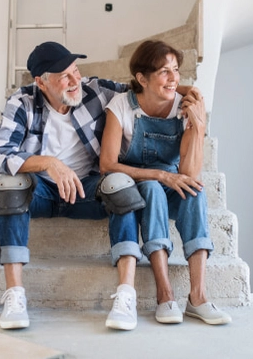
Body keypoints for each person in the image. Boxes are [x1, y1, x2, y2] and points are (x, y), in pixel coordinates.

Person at [0, 41, 197, 330]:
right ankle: (15, 296)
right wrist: (49, 163)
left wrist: (186, 91)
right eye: (64, 76)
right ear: (41, 82)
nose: (76, 81)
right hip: (42, 191)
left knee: (120, 183)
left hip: (87, 189)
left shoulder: (94, 90)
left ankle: (126, 295)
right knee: (10, 184)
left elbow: (142, 87)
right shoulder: (21, 102)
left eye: (76, 71)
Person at [100, 39, 232, 327]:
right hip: (137, 183)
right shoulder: (121, 106)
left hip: (172, 179)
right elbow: (107, 164)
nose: (174, 79)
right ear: (141, 78)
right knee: (152, 189)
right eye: (164, 72)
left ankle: (197, 297)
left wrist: (198, 127)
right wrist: (159, 175)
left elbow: (188, 171)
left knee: (195, 192)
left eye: (176, 71)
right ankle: (165, 293)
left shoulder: (185, 107)